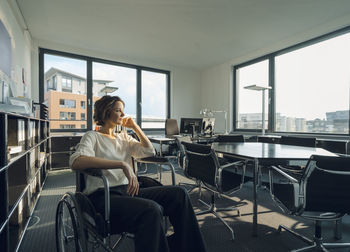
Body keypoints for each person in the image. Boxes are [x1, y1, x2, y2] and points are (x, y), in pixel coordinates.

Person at [69, 95, 207, 252]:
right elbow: (76, 162)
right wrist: (122, 165)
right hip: (104, 196)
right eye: (118, 111)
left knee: (180, 194)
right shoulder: (92, 136)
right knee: (151, 209)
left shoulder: (124, 137)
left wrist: (135, 127)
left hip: (129, 191)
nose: (123, 115)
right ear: (106, 112)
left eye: (123, 111)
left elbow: (149, 151)